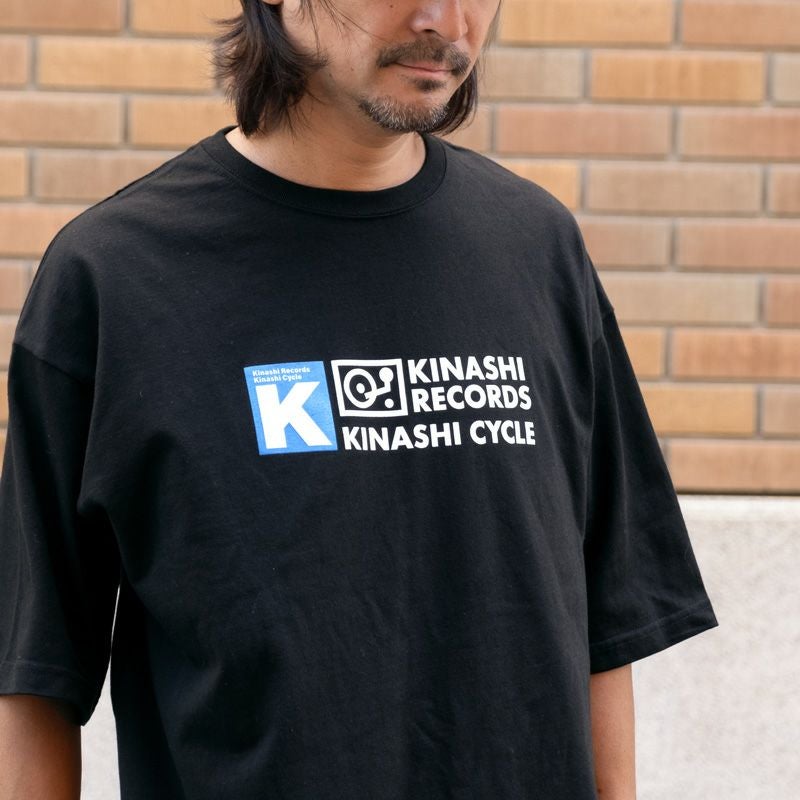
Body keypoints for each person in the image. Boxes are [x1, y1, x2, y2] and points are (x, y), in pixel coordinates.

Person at [0, 1, 719, 798]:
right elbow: (34, 671)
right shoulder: (114, 279)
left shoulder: (537, 247)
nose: (444, 19)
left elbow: (607, 619)